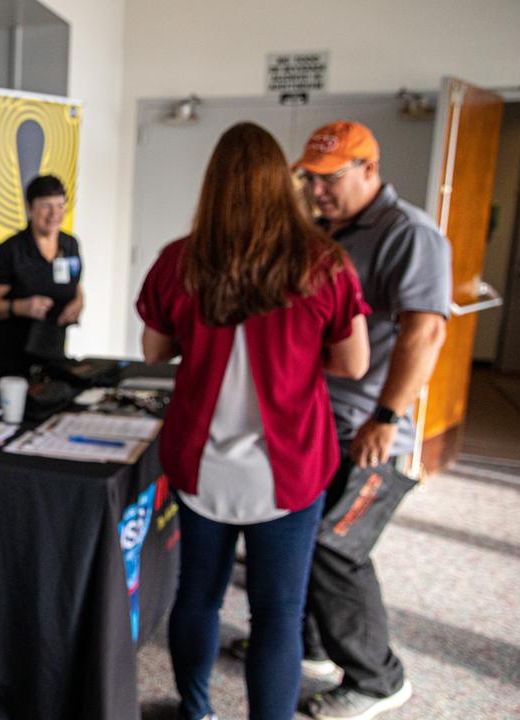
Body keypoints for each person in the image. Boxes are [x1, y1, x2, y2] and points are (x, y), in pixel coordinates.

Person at [136, 122, 371, 720]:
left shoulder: (178, 261)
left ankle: (196, 712)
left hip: (203, 464)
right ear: (282, 182)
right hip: (288, 471)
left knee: (198, 599)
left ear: (212, 185)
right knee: (278, 614)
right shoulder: (323, 264)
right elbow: (355, 362)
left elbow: (154, 352)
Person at [293, 120, 450, 720]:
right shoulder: (326, 230)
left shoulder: (408, 233)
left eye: (329, 180)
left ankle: (378, 679)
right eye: (311, 179)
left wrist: (387, 417)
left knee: (338, 548)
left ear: (368, 169)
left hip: (367, 425)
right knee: (302, 533)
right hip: (318, 417)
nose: (317, 191)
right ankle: (310, 648)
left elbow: (425, 330)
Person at [0, 174, 84, 378]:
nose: (54, 214)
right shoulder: (12, 250)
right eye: (46, 206)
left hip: (52, 346)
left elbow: (75, 284)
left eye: (60, 205)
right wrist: (21, 307)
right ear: (30, 207)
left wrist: (79, 302)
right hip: (12, 352)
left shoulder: (70, 245)